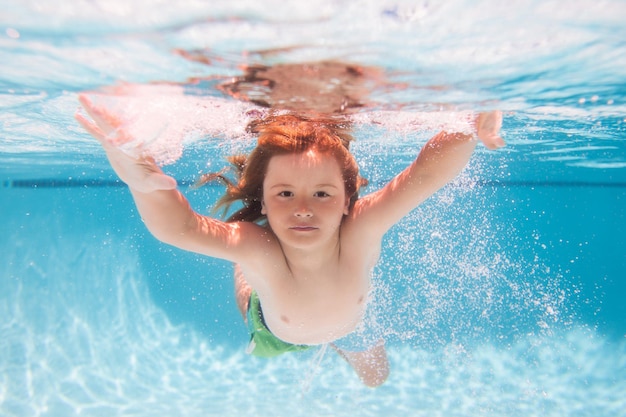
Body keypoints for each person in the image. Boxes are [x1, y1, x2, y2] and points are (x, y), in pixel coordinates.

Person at [75, 68, 504, 388]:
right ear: (263, 197)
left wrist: (468, 125)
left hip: (349, 324)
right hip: (270, 326)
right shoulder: (257, 247)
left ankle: (334, 339)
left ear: (348, 200)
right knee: (250, 253)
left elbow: (425, 175)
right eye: (284, 195)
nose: (304, 210)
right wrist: (138, 173)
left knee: (376, 378)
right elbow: (180, 228)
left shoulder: (361, 226)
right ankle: (253, 262)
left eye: (322, 195)